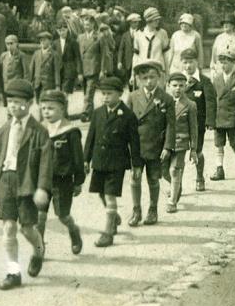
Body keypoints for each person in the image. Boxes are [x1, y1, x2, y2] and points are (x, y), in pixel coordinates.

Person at [0, 78, 51, 290]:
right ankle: (13, 273)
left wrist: (42, 187)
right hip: (6, 180)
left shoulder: (39, 131)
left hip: (27, 184)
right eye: (10, 101)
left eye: (18, 102)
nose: (14, 106)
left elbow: (45, 162)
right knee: (8, 228)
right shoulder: (5, 128)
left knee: (27, 229)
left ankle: (39, 248)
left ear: (30, 102)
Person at [83, 77, 141, 247]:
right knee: (101, 193)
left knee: (110, 196)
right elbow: (90, 138)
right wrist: (85, 160)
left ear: (120, 94)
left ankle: (108, 233)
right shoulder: (98, 113)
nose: (105, 97)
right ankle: (114, 217)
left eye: (109, 94)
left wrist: (136, 164)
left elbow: (134, 142)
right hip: (100, 161)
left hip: (116, 163)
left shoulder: (128, 115)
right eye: (103, 94)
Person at [127, 59, 175, 226]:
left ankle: (153, 209)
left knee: (153, 179)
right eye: (145, 77)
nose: (149, 81)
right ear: (139, 79)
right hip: (137, 146)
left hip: (155, 146)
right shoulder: (133, 97)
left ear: (159, 78)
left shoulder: (166, 99)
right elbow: (126, 123)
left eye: (152, 77)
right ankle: (136, 210)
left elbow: (170, 125)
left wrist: (168, 147)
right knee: (135, 177)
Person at [36, 90, 85, 255]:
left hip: (62, 181)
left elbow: (78, 159)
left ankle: (74, 231)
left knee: (63, 216)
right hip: (42, 181)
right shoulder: (40, 130)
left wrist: (78, 181)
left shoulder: (70, 132)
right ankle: (39, 249)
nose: (46, 112)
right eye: (43, 109)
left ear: (63, 109)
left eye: (51, 108)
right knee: (40, 217)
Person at [206, 52, 235, 180]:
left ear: (233, 63)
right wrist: (210, 120)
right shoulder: (217, 79)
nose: (223, 65)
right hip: (219, 118)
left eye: (226, 62)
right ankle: (219, 170)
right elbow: (212, 100)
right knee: (218, 144)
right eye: (222, 63)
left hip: (233, 118)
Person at [181, 47, 215, 191]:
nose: (188, 66)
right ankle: (177, 184)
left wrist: (210, 121)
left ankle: (200, 177)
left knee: (197, 150)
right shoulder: (177, 80)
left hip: (197, 123)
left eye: (191, 62)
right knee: (179, 153)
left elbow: (210, 101)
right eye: (185, 62)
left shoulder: (204, 81)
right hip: (180, 123)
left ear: (196, 62)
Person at [164, 72, 197, 213]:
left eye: (181, 86)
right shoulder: (162, 102)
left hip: (180, 142)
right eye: (175, 85)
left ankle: (172, 202)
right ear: (168, 86)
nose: (178, 88)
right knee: (163, 170)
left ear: (186, 86)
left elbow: (193, 128)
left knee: (175, 169)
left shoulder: (190, 105)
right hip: (165, 143)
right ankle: (176, 186)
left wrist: (194, 149)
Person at [78, 15, 112, 121]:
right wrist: (79, 71)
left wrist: (102, 70)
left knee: (89, 92)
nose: (86, 26)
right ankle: (91, 115)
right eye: (84, 24)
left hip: (94, 68)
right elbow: (79, 56)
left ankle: (85, 113)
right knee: (87, 93)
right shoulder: (80, 37)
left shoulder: (99, 37)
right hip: (84, 69)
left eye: (88, 24)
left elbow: (104, 55)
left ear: (93, 24)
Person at [29, 31, 61, 107]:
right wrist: (30, 82)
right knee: (38, 102)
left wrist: (57, 85)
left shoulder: (54, 54)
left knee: (46, 102)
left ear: (50, 41)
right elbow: (31, 68)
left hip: (48, 83)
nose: (42, 42)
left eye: (44, 40)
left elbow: (57, 71)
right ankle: (40, 117)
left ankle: (44, 118)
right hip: (37, 83)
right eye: (41, 40)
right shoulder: (36, 53)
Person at [54, 21, 82, 94]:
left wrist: (79, 72)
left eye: (63, 30)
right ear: (57, 31)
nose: (62, 32)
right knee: (58, 93)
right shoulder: (55, 43)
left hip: (69, 71)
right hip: (58, 71)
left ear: (67, 30)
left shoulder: (73, 42)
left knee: (65, 93)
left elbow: (78, 58)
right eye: (60, 31)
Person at [117, 13, 142, 85]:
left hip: (138, 60)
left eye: (137, 22)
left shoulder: (141, 33)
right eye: (134, 22)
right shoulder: (125, 35)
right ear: (130, 23)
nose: (136, 24)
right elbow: (121, 49)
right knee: (130, 82)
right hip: (127, 62)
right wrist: (119, 61)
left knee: (138, 81)